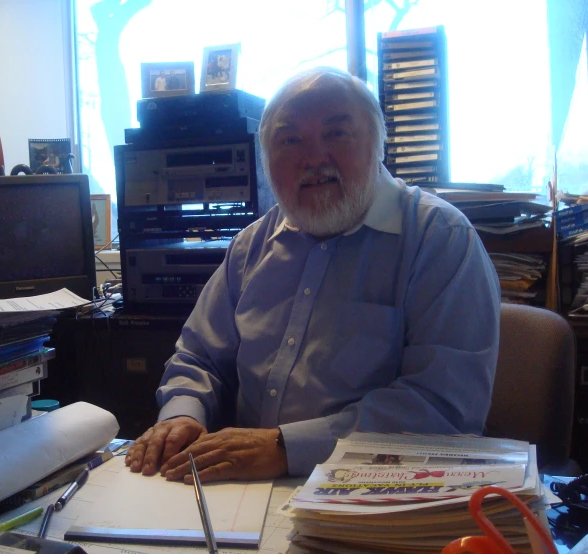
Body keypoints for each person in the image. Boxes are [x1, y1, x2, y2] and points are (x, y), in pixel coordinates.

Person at [125, 66, 500, 484]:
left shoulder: (439, 239)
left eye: (337, 133)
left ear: (378, 145)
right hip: (243, 491)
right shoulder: (251, 247)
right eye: (290, 140)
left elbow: (444, 405)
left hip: (374, 495)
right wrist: (182, 414)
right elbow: (198, 356)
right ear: (266, 161)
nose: (314, 157)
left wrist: (286, 448)